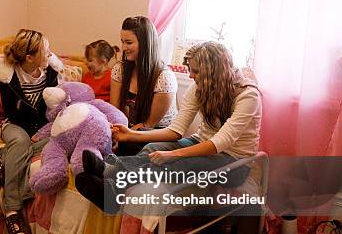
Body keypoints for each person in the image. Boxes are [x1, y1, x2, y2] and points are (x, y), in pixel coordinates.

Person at [75, 41, 262, 213]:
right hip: (200, 142)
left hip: (235, 161)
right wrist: (132, 134)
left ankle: (112, 171)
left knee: (187, 163)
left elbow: (220, 142)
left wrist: (173, 155)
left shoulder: (248, 95)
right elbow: (176, 130)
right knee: (152, 149)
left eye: (196, 71)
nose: (191, 76)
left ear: (212, 72)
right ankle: (114, 189)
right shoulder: (199, 89)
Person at [0, 28, 63, 234]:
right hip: (15, 124)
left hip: (42, 127)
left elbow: (54, 107)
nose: (50, 54)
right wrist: (32, 133)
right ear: (30, 57)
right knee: (21, 141)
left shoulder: (50, 72)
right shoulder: (8, 77)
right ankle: (12, 210)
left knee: (59, 140)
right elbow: (12, 112)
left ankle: (3, 159)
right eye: (46, 50)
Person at [110, 16, 178, 155]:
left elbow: (148, 125)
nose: (123, 48)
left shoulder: (163, 78)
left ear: (145, 43)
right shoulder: (120, 70)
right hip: (128, 128)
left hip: (155, 133)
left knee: (128, 148)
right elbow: (115, 112)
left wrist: (122, 139)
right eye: (122, 42)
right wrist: (114, 135)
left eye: (129, 42)